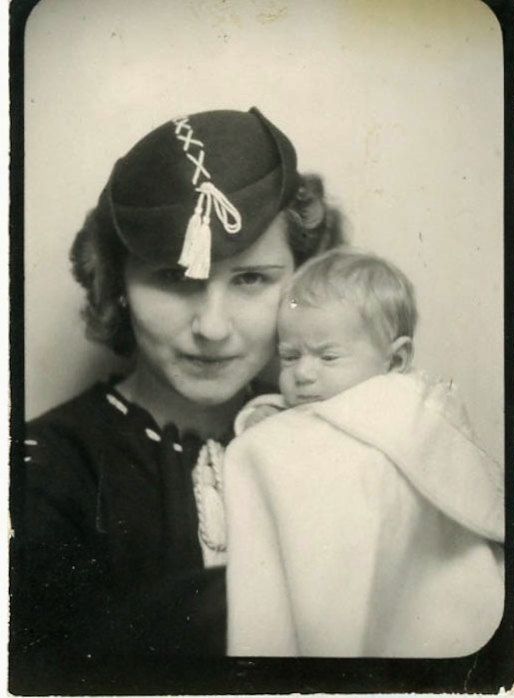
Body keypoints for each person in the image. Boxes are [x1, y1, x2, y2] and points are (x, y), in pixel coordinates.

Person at [10, 108, 344, 692]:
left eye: (251, 280)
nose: (212, 328)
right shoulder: (43, 470)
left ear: (304, 284)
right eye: (175, 278)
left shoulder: (337, 436)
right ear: (116, 284)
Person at [225, 248, 504, 657]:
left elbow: (452, 468)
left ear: (395, 360)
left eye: (328, 356)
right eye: (289, 356)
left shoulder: (411, 409)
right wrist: (264, 416)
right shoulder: (313, 404)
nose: (303, 373)